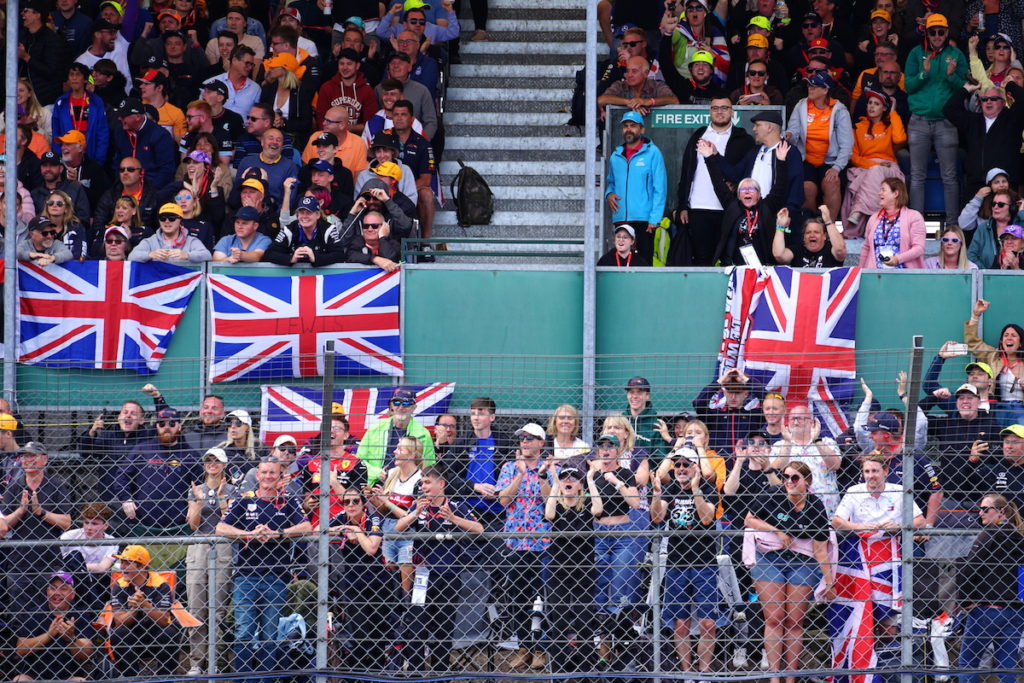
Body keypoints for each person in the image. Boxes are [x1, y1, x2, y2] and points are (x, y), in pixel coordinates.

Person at [217, 460, 312, 674]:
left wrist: (277, 534)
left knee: (270, 634)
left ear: (281, 476)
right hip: (245, 576)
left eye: (273, 473)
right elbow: (221, 527)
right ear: (257, 476)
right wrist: (248, 535)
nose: (269, 476)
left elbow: (307, 527)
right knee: (244, 633)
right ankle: (243, 679)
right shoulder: (244, 500)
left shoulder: (288, 501)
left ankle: (265, 679)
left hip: (276, 576)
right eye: (265, 473)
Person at [744, 460, 835, 683]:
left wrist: (829, 581)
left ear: (807, 481)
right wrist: (777, 530)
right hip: (770, 557)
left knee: (795, 621)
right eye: (786, 477)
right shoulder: (773, 494)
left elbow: (821, 549)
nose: (789, 482)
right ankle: (775, 678)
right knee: (774, 619)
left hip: (802, 561)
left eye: (795, 478)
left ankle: (791, 678)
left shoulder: (815, 506)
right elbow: (749, 519)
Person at [394, 466, 482, 672]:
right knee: (417, 626)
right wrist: (415, 512)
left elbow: (479, 529)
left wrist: (453, 518)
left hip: (449, 576)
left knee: (444, 629)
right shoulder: (419, 506)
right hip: (422, 577)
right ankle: (415, 673)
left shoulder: (454, 506)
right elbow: (398, 527)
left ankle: (439, 673)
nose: (423, 486)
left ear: (441, 484)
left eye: (427, 482)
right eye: (422, 483)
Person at [651, 446, 719, 678]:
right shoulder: (669, 489)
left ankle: (704, 671)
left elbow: (707, 517)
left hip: (705, 563)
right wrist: (657, 495)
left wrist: (697, 489)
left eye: (685, 464)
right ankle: (686, 672)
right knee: (680, 623)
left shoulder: (708, 488)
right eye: (677, 464)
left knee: (708, 623)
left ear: (695, 467)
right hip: (677, 563)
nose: (680, 468)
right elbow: (657, 517)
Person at [495, 422, 552, 670]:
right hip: (516, 542)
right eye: (522, 438)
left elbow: (551, 500)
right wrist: (520, 474)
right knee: (518, 596)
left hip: (543, 542)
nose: (525, 442)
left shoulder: (551, 468)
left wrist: (540, 475)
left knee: (544, 597)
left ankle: (541, 648)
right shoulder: (509, 467)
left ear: (541, 443)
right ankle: (523, 646)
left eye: (530, 438)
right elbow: (503, 499)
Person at [674, 94, 754, 266]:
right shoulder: (698, 135)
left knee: (729, 259)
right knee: (702, 260)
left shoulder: (744, 139)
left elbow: (749, 172)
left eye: (724, 108)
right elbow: (686, 173)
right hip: (698, 207)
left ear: (732, 112)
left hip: (729, 209)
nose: (720, 112)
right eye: (715, 108)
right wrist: (683, 205)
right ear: (710, 112)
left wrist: (737, 183)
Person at [586, 432, 645, 661]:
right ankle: (603, 648)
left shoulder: (625, 473)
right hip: (598, 534)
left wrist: (617, 482)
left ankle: (622, 642)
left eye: (611, 446)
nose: (606, 450)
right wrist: (591, 478)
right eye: (602, 446)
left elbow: (635, 503)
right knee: (599, 586)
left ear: (618, 450)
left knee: (621, 585)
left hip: (623, 535)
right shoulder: (591, 474)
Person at [904, 13, 966, 225]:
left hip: (946, 122)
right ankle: (916, 226)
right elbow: (908, 86)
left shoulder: (956, 54)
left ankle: (951, 226)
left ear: (947, 32)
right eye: (933, 32)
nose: (937, 35)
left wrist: (951, 76)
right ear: (927, 33)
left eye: (941, 31)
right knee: (917, 176)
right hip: (919, 121)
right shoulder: (916, 53)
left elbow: (965, 89)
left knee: (949, 177)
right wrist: (924, 73)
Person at [956, 493, 1024, 683]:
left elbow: (968, 569)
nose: (981, 513)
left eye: (986, 509)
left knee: (968, 663)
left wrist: (965, 601)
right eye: (980, 509)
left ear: (1001, 512)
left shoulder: (990, 534)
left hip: (988, 609)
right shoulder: (1018, 538)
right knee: (1007, 665)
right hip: (1015, 611)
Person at [327, 486, 393, 675]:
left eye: (355, 501)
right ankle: (360, 674)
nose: (350, 505)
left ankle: (376, 674)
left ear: (363, 504)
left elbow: (371, 548)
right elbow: (317, 530)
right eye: (346, 502)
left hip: (378, 583)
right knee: (359, 632)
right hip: (353, 583)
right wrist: (344, 531)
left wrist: (357, 530)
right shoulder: (342, 518)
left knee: (378, 632)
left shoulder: (373, 519)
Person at [2, 442, 73, 611]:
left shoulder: (56, 485)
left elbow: (66, 522)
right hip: (20, 562)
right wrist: (20, 511)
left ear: (45, 459)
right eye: (25, 457)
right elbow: (2, 527)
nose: (28, 460)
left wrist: (41, 512)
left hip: (50, 560)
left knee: (49, 611)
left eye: (33, 456)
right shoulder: (15, 486)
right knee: (19, 612)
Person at [184, 448, 235, 676]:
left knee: (218, 606)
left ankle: (215, 659)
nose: (212, 464)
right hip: (199, 544)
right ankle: (197, 661)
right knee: (196, 604)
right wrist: (199, 502)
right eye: (208, 460)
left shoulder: (234, 489)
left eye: (217, 460)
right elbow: (193, 525)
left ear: (224, 464)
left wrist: (223, 498)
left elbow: (230, 520)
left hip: (223, 544)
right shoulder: (196, 489)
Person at [543, 466, 596, 673]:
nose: (569, 481)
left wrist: (590, 480)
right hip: (559, 571)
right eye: (565, 477)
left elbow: (599, 510)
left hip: (584, 571)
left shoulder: (588, 504)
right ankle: (560, 670)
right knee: (560, 619)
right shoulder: (556, 505)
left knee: (584, 620)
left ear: (580, 485)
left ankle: (585, 669)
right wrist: (556, 484)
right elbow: (548, 515)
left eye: (574, 478)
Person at [116, 407, 202, 531]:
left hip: (180, 524)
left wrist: (194, 506)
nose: (166, 427)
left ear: (179, 426)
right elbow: (122, 477)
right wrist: (126, 499)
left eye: (172, 423)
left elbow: (199, 485)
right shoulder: (142, 450)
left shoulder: (190, 455)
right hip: (143, 522)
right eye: (162, 424)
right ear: (156, 426)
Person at [785, 72, 853, 220]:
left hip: (830, 161)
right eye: (809, 85)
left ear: (825, 90)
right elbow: (794, 129)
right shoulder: (801, 105)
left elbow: (847, 144)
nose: (810, 88)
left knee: (832, 183)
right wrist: (789, 134)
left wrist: (837, 167)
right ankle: (809, 226)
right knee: (807, 189)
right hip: (806, 158)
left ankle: (829, 227)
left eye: (815, 86)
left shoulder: (839, 110)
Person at [106, 545, 181, 676]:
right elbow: (119, 622)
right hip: (131, 635)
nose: (122, 567)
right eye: (121, 562)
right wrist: (135, 608)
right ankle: (131, 678)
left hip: (155, 634)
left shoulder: (160, 584)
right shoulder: (119, 585)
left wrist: (144, 604)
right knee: (118, 634)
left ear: (141, 567)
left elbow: (163, 620)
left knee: (170, 632)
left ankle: (165, 678)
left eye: (127, 563)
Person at [841, 88, 907, 236]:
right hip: (866, 167)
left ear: (884, 108)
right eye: (869, 103)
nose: (871, 106)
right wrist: (874, 165)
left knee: (874, 173)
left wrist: (893, 112)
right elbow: (854, 157)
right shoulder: (858, 127)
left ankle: (859, 211)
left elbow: (900, 139)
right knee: (871, 173)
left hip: (889, 167)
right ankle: (868, 226)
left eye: (876, 104)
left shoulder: (890, 125)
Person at [605, 111, 668, 263]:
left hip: (645, 220)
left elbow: (660, 188)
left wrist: (655, 218)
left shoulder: (653, 153)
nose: (628, 129)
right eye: (625, 126)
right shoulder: (616, 156)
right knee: (621, 262)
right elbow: (611, 182)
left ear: (642, 129)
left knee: (644, 262)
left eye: (633, 126)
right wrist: (609, 194)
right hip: (621, 218)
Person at [944, 80, 1024, 197]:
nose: (988, 102)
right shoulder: (973, 121)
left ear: (1002, 102)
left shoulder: (1012, 119)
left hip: (1005, 184)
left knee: (1003, 214)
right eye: (985, 99)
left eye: (993, 99)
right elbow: (949, 110)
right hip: (976, 184)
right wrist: (965, 90)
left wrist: (1009, 85)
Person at [11, 573, 97, 682]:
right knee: (20, 680)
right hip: (33, 676)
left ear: (72, 594)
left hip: (68, 677)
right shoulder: (33, 613)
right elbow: (20, 650)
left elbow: (86, 655)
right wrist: (48, 635)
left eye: (63, 589)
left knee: (80, 681)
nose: (57, 593)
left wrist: (71, 639)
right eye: (53, 588)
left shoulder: (81, 615)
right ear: (47, 592)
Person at [367, 436, 423, 594]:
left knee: (406, 569)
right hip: (389, 527)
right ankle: (393, 608)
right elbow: (384, 510)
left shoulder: (419, 479)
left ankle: (406, 608)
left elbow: (411, 515)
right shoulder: (392, 473)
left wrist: (387, 502)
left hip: (409, 532)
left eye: (400, 449)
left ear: (412, 455)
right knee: (389, 575)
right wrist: (374, 500)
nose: (394, 451)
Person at [769, 403, 842, 516]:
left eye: (800, 418)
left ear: (812, 422)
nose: (796, 422)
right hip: (792, 510)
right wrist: (788, 442)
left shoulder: (827, 442)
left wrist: (816, 441)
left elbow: (835, 465)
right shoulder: (780, 445)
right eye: (792, 418)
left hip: (826, 510)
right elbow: (775, 471)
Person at [356, 387, 436, 485]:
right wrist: (376, 473)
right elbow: (359, 460)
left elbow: (428, 466)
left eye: (406, 403)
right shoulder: (375, 428)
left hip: (408, 484)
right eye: (397, 403)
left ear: (414, 407)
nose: (401, 407)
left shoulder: (423, 434)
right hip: (375, 482)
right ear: (391, 406)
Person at [965, 298, 1024, 427]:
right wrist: (976, 315)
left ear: (1020, 343)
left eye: (1013, 335)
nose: (1009, 338)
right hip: (998, 407)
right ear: (1001, 341)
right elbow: (973, 343)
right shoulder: (993, 356)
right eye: (1005, 335)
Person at [58, 503, 119, 610]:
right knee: (74, 556)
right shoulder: (69, 536)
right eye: (86, 523)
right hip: (70, 581)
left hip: (97, 584)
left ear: (106, 525)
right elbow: (60, 565)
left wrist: (78, 566)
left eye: (94, 524)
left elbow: (102, 568)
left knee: (75, 560)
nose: (89, 528)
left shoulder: (111, 541)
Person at [858, 177, 926, 268]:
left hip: (904, 275)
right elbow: (866, 248)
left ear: (895, 193)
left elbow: (919, 248)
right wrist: (861, 271)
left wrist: (897, 259)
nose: (879, 193)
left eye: (883, 190)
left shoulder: (914, 217)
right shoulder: (874, 218)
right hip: (877, 276)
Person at [112, 98, 178, 190]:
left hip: (153, 190)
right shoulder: (119, 131)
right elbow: (117, 162)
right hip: (125, 188)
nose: (119, 118)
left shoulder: (160, 135)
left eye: (123, 116)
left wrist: (147, 192)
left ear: (137, 117)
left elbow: (166, 170)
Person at [264, 196, 348, 266]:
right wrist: (291, 258)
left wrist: (315, 257)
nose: (304, 216)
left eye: (309, 213)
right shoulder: (289, 229)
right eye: (301, 212)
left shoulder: (328, 229)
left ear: (318, 214)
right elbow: (269, 254)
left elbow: (340, 255)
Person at [597, 56, 678, 119]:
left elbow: (674, 100)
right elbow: (601, 100)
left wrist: (647, 101)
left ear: (646, 73)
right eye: (627, 71)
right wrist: (630, 102)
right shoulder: (620, 85)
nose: (629, 75)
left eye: (634, 71)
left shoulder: (656, 85)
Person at [129, 202, 211, 263]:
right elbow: (132, 256)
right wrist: (150, 254)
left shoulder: (191, 241)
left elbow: (207, 255)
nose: (167, 221)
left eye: (172, 218)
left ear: (180, 221)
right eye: (163, 218)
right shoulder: (150, 241)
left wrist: (187, 255)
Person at [966, 189, 1023, 268]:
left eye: (1000, 204)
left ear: (1012, 208)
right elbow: (971, 256)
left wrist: (1021, 214)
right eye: (993, 204)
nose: (995, 207)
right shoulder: (983, 228)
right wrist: (987, 274)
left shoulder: (1020, 226)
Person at [773, 207, 847, 267]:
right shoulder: (797, 250)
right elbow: (779, 255)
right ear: (804, 237)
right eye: (808, 232)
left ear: (824, 236)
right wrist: (780, 226)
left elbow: (840, 250)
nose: (812, 235)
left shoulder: (831, 249)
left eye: (816, 232)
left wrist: (828, 221)